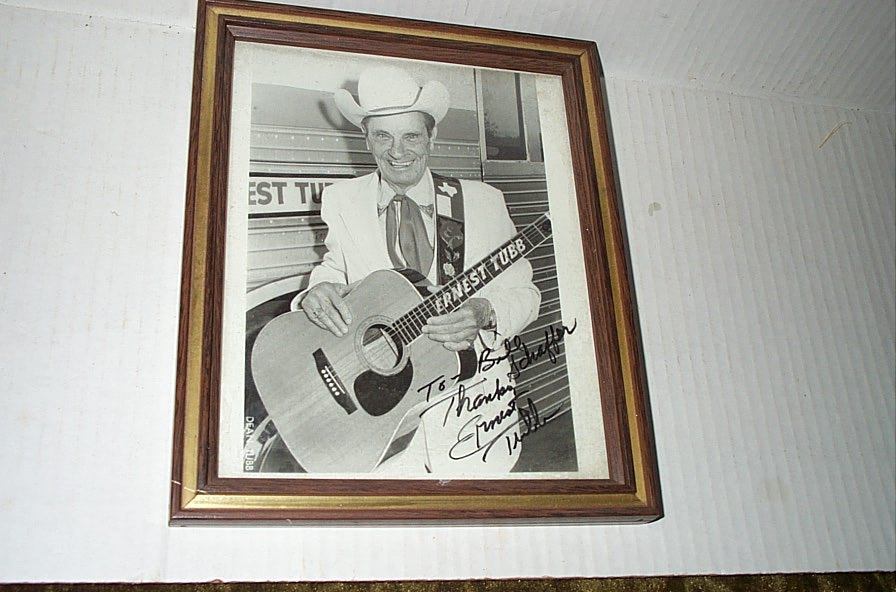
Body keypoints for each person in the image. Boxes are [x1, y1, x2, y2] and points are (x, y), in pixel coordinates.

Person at [294, 65, 541, 475]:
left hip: (473, 413)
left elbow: (527, 294)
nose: (398, 152)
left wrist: (485, 313)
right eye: (383, 136)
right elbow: (333, 268)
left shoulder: (482, 201)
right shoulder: (341, 200)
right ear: (366, 139)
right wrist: (316, 292)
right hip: (380, 420)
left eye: (411, 135)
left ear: (432, 136)